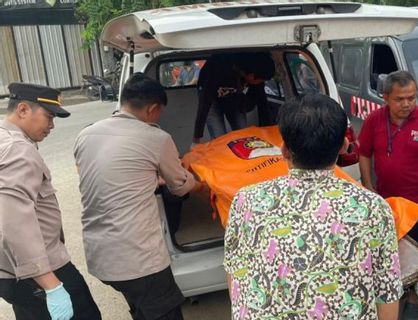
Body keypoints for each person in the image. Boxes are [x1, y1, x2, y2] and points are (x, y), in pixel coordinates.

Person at [224, 94, 403, 320]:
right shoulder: (373, 208)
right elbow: (387, 292)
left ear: (283, 150)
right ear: (344, 146)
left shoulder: (245, 201)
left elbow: (235, 276)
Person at [73, 74, 209, 320]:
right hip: (138, 260)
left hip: (100, 256)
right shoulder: (155, 138)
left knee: (141, 307)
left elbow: (102, 175)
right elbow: (180, 186)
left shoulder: (87, 134)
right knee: (164, 311)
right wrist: (204, 188)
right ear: (153, 109)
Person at [0, 83, 101, 320]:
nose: (52, 126)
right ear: (23, 110)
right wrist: (52, 286)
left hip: (11, 271)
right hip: (40, 271)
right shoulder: (17, 150)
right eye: (48, 116)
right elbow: (14, 220)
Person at [358, 71, 418, 319]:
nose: (407, 104)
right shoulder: (374, 121)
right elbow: (364, 153)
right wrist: (368, 187)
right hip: (387, 207)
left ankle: (412, 301)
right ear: (386, 97)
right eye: (400, 99)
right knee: (392, 257)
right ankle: (393, 297)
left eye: (411, 97)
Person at [193, 52, 276, 143]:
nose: (260, 83)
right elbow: (204, 104)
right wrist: (197, 136)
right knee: (219, 137)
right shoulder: (218, 68)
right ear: (251, 75)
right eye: (261, 80)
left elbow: (262, 103)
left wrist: (270, 130)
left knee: (242, 133)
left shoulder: (256, 77)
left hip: (233, 96)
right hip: (210, 98)